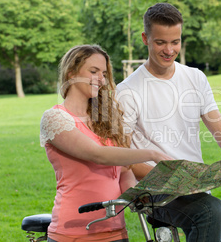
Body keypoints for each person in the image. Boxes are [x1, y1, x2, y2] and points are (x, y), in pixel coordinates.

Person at [116, 3, 221, 242]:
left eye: (175, 41)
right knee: (212, 211)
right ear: (146, 38)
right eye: (160, 42)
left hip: (195, 187)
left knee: (212, 216)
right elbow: (123, 159)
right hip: (155, 191)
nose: (169, 50)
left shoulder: (195, 78)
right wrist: (177, 179)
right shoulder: (127, 91)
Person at [40, 44, 173, 242]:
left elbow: (124, 170)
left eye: (103, 73)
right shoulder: (55, 118)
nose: (101, 79)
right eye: (93, 71)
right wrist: (152, 154)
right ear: (71, 74)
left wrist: (132, 193)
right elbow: (98, 155)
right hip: (73, 233)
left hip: (115, 231)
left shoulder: (104, 121)